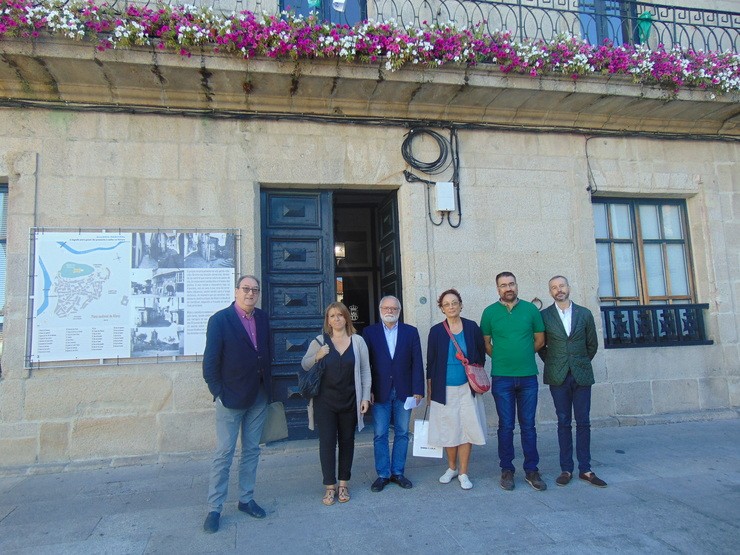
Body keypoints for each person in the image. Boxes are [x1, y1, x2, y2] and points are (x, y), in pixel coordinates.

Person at [202, 275, 272, 534]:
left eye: (255, 290)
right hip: (230, 399)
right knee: (224, 453)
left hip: (258, 396)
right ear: (236, 291)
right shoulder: (220, 321)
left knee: (252, 450)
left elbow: (266, 353)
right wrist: (218, 392)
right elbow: (210, 363)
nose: (250, 293)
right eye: (246, 289)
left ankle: (246, 499)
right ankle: (214, 508)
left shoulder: (262, 318)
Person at [480, 272, 546, 492]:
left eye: (511, 284)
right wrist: (501, 357)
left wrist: (524, 354)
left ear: (517, 285)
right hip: (502, 377)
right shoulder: (489, 313)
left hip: (528, 376)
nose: (508, 288)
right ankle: (506, 469)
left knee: (528, 426)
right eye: (503, 285)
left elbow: (540, 340)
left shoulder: (530, 310)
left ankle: (531, 470)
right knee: (505, 426)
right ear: (497, 289)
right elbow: (486, 343)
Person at [539, 275, 606, 488]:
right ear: (550, 292)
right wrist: (555, 362)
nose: (558, 290)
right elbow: (541, 346)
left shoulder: (584, 314)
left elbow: (592, 345)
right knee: (563, 421)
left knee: (584, 421)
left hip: (581, 374)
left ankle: (585, 469)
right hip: (557, 376)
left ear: (568, 287)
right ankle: (566, 468)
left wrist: (579, 362)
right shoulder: (544, 316)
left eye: (561, 286)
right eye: (554, 287)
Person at [301, 302, 371, 505]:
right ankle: (329, 486)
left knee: (348, 442)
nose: (337, 319)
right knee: (327, 443)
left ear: (346, 318)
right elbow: (305, 364)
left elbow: (366, 371)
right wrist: (317, 356)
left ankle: (343, 484)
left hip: (350, 400)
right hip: (325, 402)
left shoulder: (357, 341)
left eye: (340, 315)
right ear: (328, 320)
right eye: (332, 316)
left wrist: (365, 397)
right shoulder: (319, 341)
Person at [426, 289, 487, 490]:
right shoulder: (436, 331)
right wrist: (430, 391)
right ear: (442, 309)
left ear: (460, 305)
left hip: (467, 388)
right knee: (449, 430)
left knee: (467, 429)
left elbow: (480, 356)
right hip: (444, 390)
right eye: (447, 304)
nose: (451, 307)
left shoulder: (471, 327)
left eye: (454, 303)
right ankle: (451, 468)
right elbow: (431, 363)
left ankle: (463, 472)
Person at [363, 296, 424, 492]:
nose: (390, 311)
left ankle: (398, 472)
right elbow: (366, 365)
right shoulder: (369, 332)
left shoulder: (411, 332)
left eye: (394, 308)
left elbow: (417, 363)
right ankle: (382, 474)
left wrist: (418, 390)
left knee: (402, 433)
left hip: (404, 391)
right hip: (379, 391)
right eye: (386, 307)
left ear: (399, 310)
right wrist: (368, 390)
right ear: (380, 309)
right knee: (380, 434)